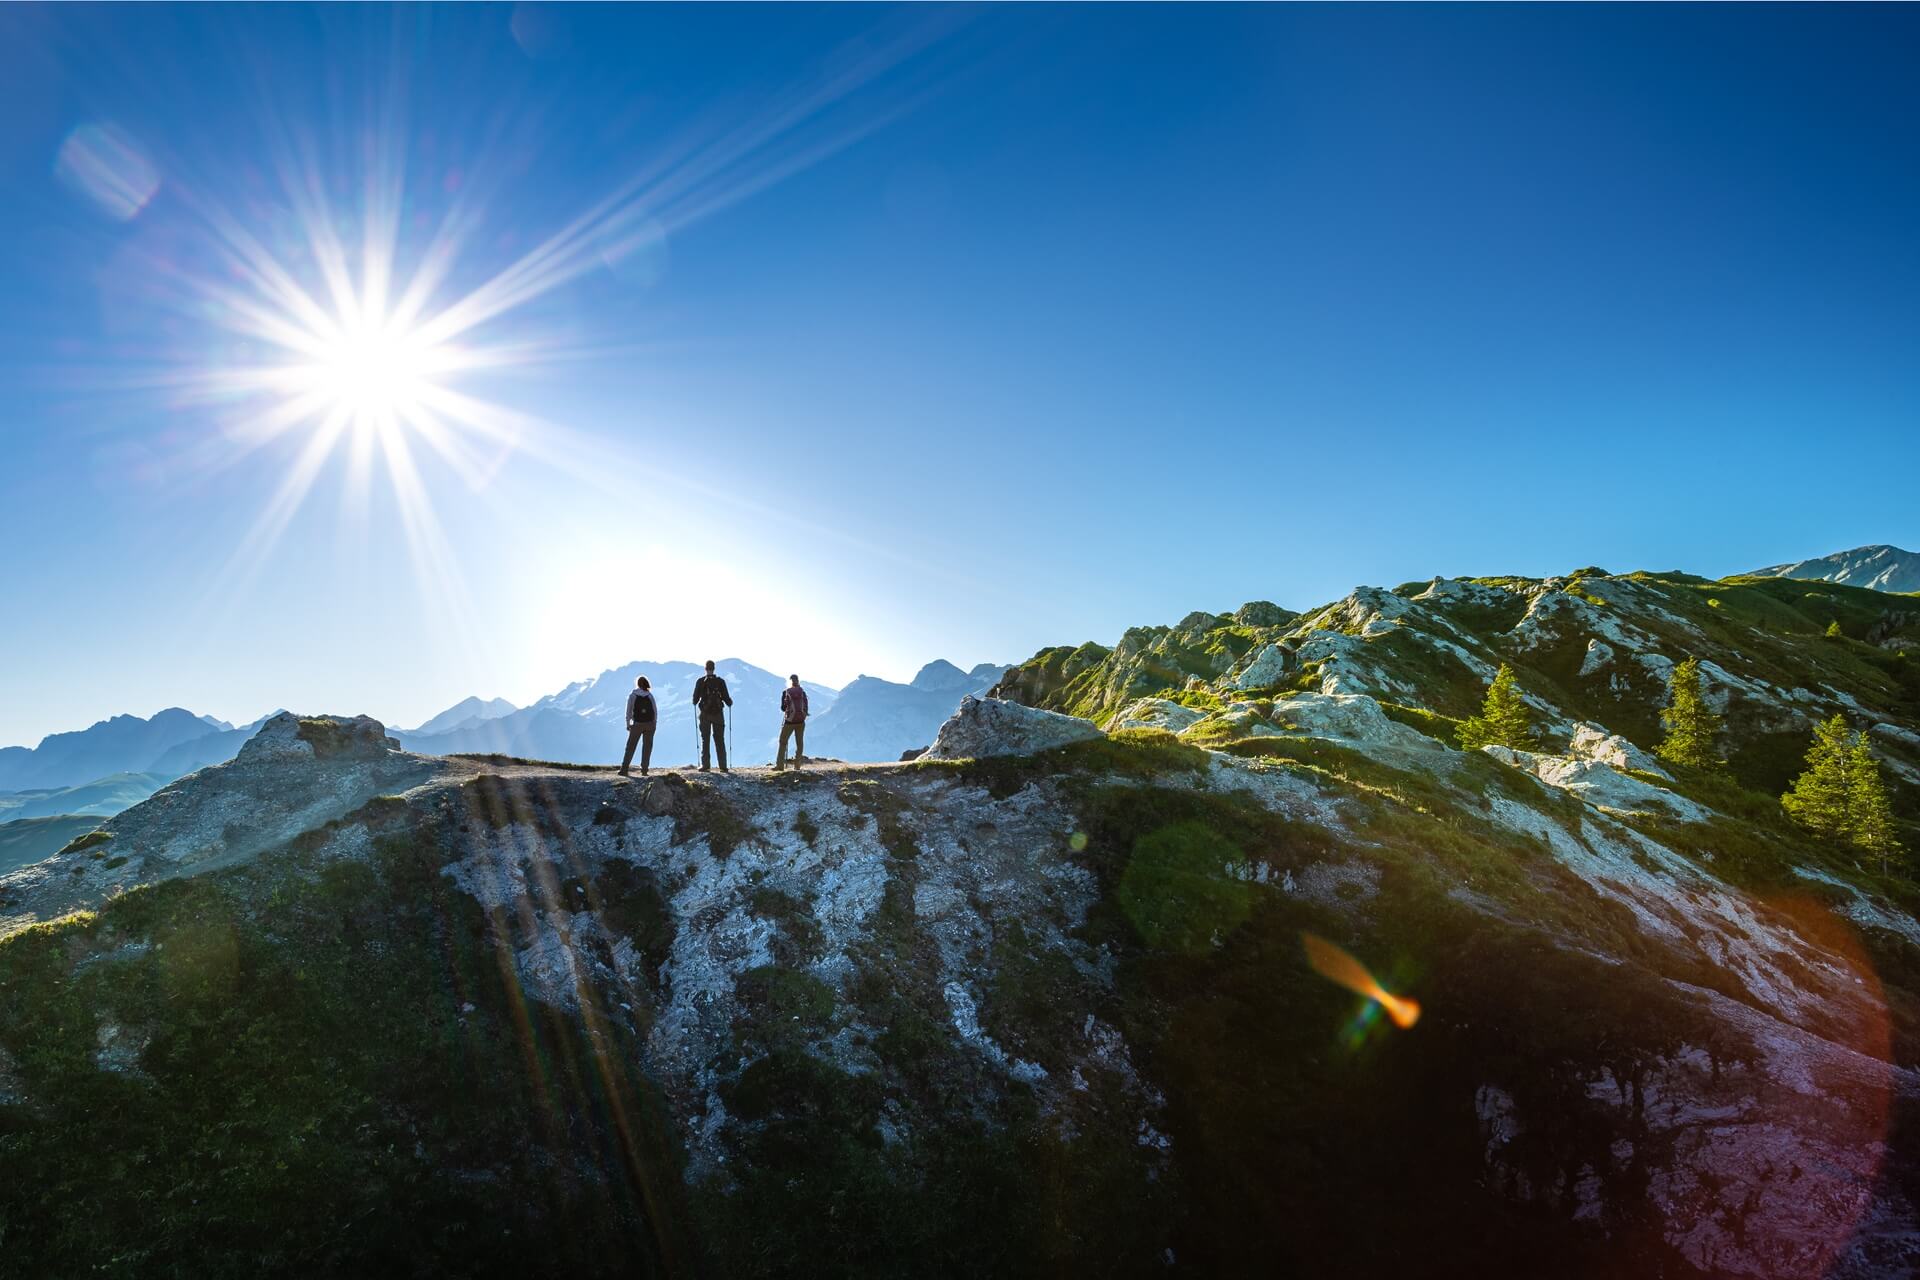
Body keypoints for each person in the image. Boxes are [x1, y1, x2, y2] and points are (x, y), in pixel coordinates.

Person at [692, 659, 733, 772]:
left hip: (704, 714)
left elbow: (694, 701)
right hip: (718, 715)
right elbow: (728, 700)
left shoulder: (700, 682)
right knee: (719, 739)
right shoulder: (720, 682)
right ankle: (723, 766)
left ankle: (705, 765)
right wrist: (729, 702)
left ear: (705, 669)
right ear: (714, 668)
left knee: (705, 739)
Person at [620, 675, 657, 776]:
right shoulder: (650, 695)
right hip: (650, 725)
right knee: (647, 748)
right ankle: (644, 770)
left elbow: (628, 711)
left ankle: (624, 769)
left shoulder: (633, 695)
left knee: (630, 747)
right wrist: (654, 724)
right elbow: (654, 711)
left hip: (637, 724)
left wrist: (628, 724)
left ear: (637, 684)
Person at [776, 673, 809, 769]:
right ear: (798, 681)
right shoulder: (802, 692)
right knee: (799, 743)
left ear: (789, 682)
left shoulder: (786, 692)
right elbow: (806, 706)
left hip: (789, 722)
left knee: (783, 741)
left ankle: (780, 766)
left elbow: (783, 708)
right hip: (801, 721)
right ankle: (797, 766)